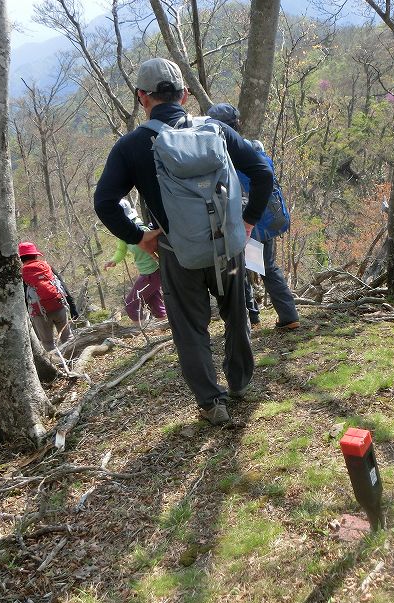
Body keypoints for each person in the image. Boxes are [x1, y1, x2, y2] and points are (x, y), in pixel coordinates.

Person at [93, 58, 273, 425]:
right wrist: (249, 220)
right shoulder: (216, 130)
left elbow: (105, 202)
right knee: (236, 316)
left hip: (178, 252)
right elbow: (262, 171)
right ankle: (239, 383)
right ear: (185, 95)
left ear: (142, 97)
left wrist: (140, 237)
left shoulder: (132, 146)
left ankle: (211, 402)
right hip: (229, 247)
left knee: (191, 329)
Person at [206, 103, 299, 331]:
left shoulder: (221, 156)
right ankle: (284, 316)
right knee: (263, 267)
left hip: (243, 225)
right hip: (264, 221)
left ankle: (255, 319)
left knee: (241, 269)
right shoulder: (252, 149)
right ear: (237, 124)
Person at [104, 199, 166, 320]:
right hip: (146, 273)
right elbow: (121, 250)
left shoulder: (143, 229)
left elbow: (159, 248)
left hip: (153, 273)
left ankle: (141, 332)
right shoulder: (124, 232)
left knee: (131, 305)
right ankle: (165, 326)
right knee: (154, 303)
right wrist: (114, 261)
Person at [19, 242, 75, 351]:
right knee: (67, 338)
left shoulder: (21, 274)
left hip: (39, 312)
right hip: (59, 306)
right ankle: (74, 360)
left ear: (21, 258)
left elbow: (24, 298)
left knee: (48, 343)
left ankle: (59, 366)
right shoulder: (47, 267)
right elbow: (62, 285)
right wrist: (72, 306)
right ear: (35, 255)